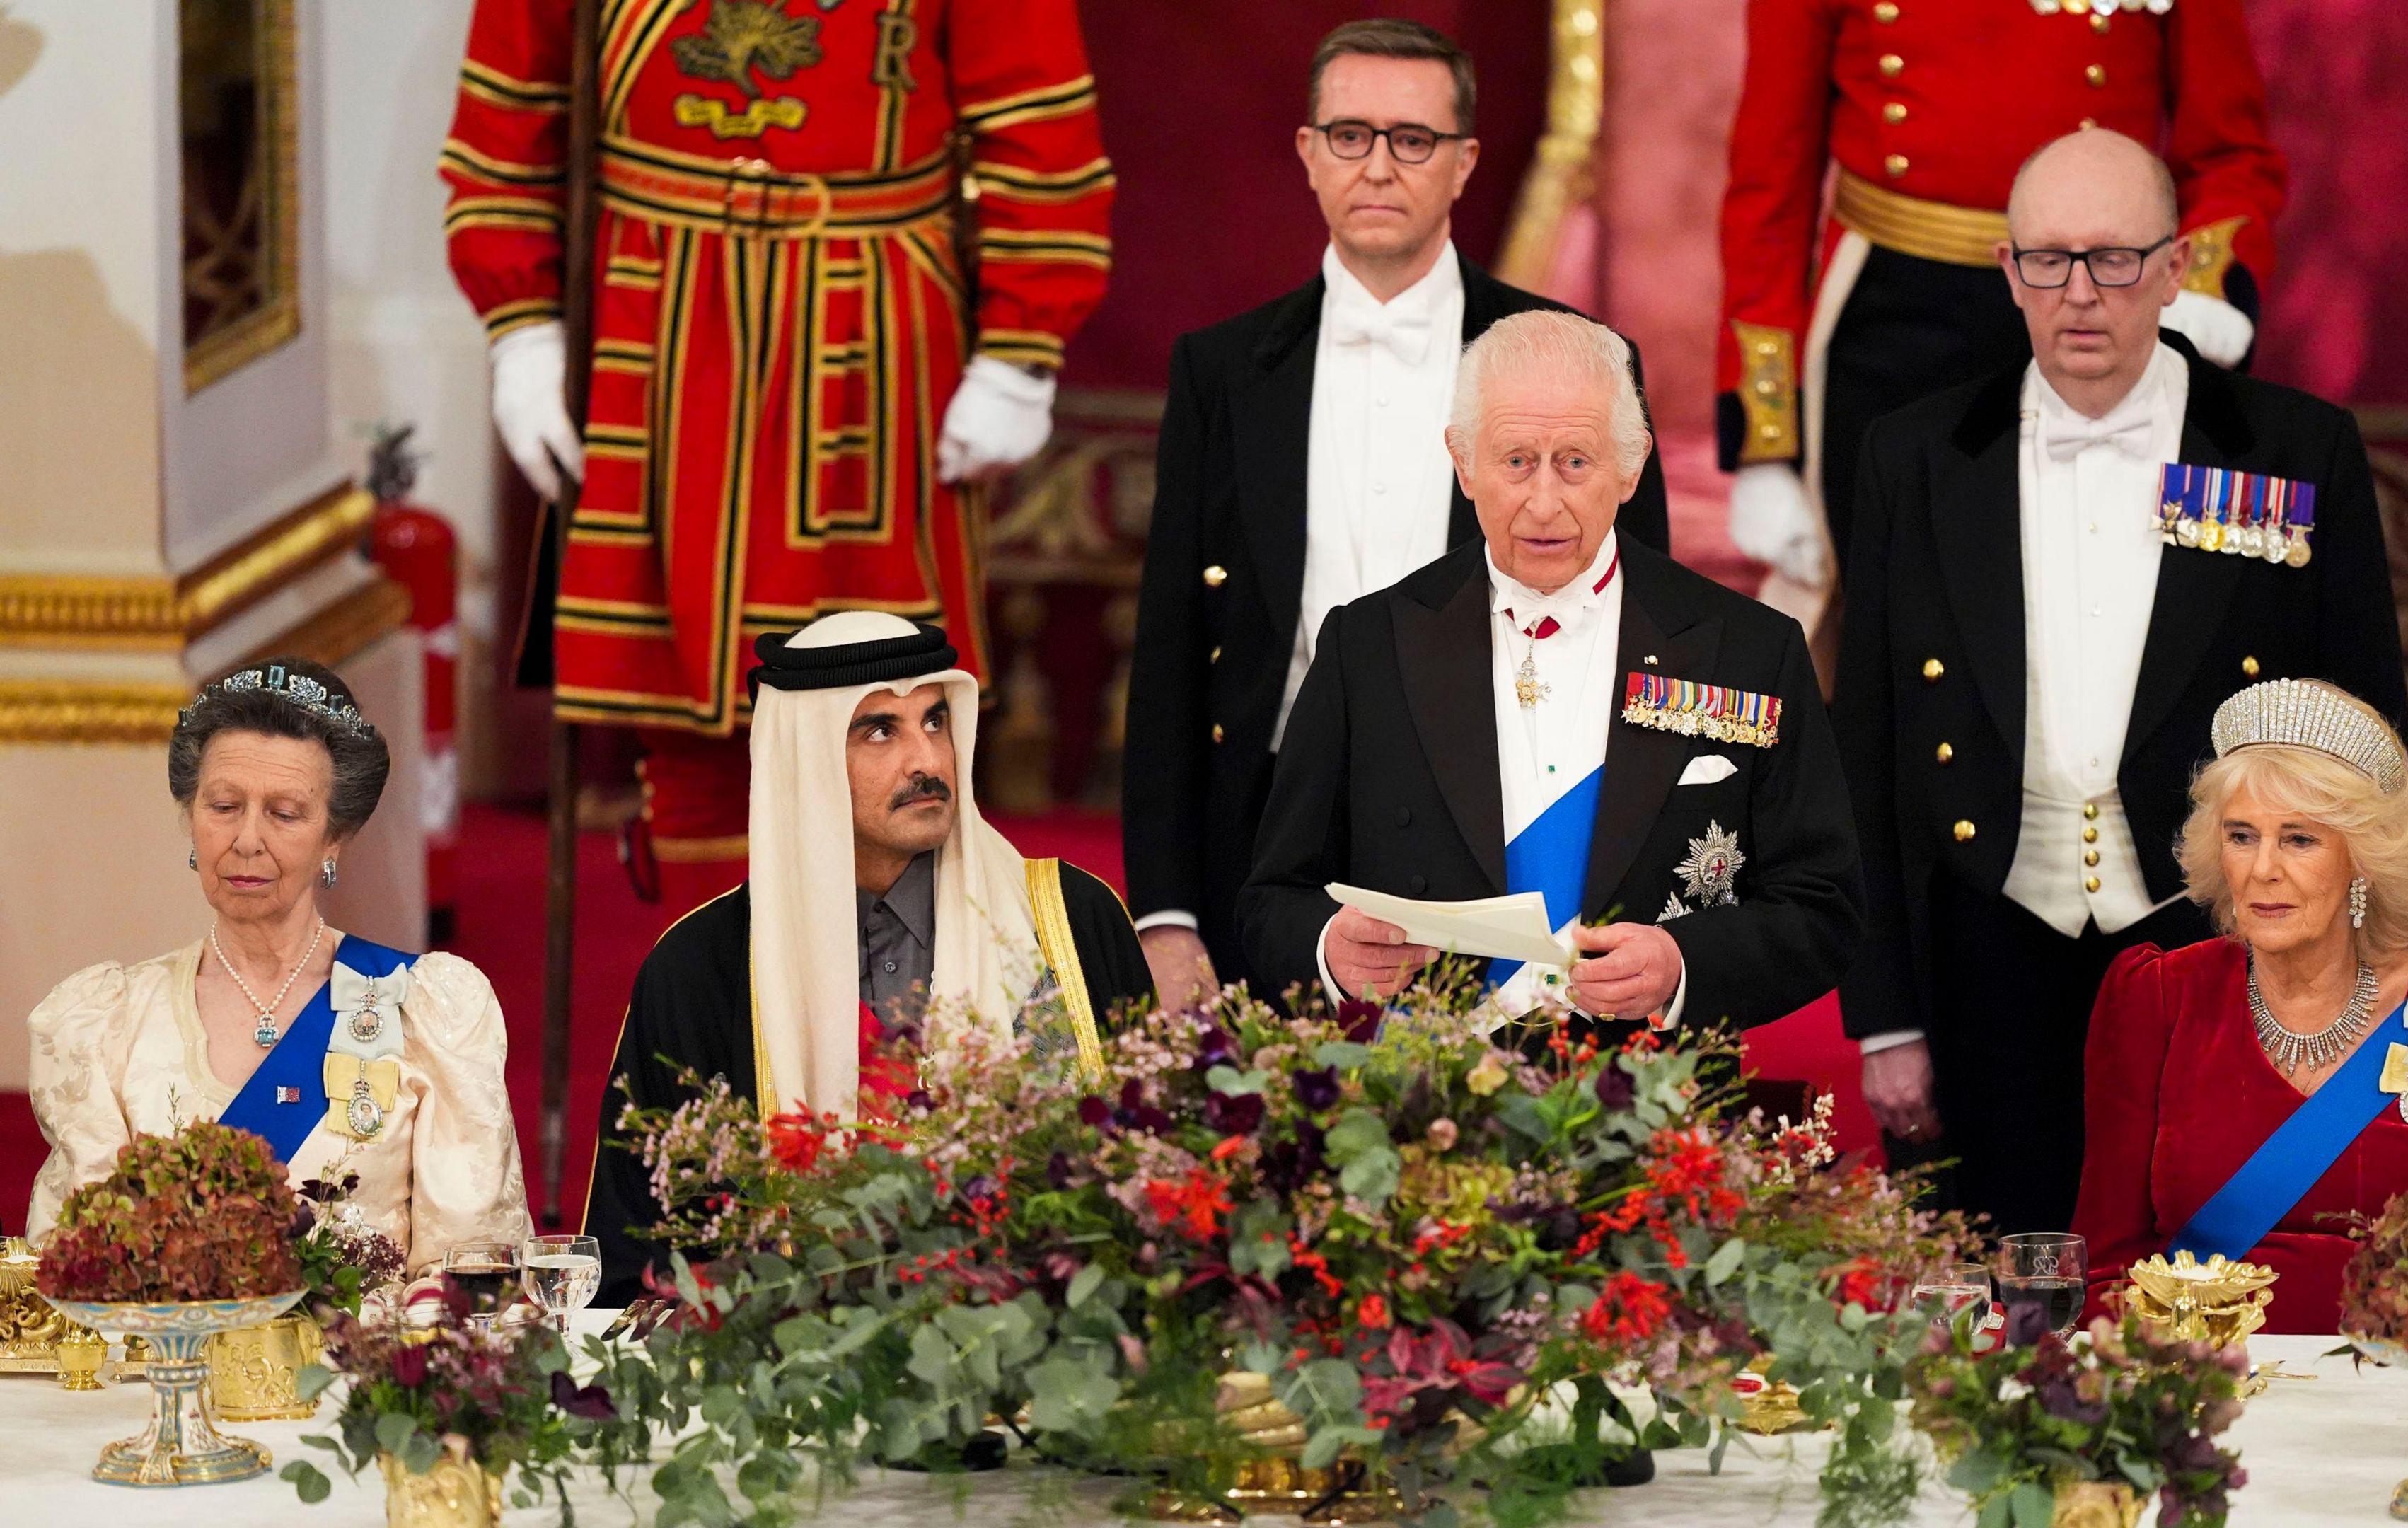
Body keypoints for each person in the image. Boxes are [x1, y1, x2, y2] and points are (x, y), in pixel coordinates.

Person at [1831, 129, 2407, 1237]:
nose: (2080, 294)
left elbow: (2367, 740)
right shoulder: (1915, 453)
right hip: (1988, 940)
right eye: (2048, 260)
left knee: (2229, 1274)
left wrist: (2359, 975)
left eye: (2115, 259)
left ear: (2180, 266)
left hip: (2227, 938)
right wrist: (1884, 1018)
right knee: (2011, 1298)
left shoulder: (2293, 452)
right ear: (2007, 271)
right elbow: (1871, 745)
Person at [442, 0, 1113, 909]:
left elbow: (1039, 126)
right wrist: (520, 328)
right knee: (683, 728)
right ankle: (711, 1040)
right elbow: (509, 122)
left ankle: (880, 1040)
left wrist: (1020, 352)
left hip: (869, 337)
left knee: (886, 708)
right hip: (658, 330)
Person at [1124, 20, 1672, 1009]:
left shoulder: (1582, 360)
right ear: (1308, 153)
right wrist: (1165, 916)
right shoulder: (1221, 370)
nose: (1378, 166)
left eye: (1412, 139)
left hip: (1513, 826)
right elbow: (1171, 651)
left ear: (1464, 163)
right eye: (1350, 135)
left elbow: (1649, 635)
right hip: (1268, 838)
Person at [1237, 310, 1859, 1053]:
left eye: (1574, 462)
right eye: (1515, 461)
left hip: (1656, 1116)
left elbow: (1823, 906)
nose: (1542, 503)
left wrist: (1683, 963)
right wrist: (1330, 948)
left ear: (1631, 468)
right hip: (1427, 1109)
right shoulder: (1367, 647)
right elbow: (1272, 900)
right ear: (1463, 463)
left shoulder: (1750, 651)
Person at [587, 611, 1150, 1302]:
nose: (929, 761)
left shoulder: (1069, 920)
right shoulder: (700, 969)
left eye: (936, 721)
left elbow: (1155, 1200)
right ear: (807, 756)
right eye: (881, 730)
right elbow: (635, 1265)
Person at [1717, 0, 2283, 677]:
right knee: (1898, 650)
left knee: (2104, 629)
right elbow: (1769, 185)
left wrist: (2204, 288)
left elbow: (2229, 154)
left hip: (2097, 305)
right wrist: (1766, 446)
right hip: (1887, 324)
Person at [2073, 680, 2408, 1333]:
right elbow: (2107, 1265)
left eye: (2299, 840)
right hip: (2199, 1390)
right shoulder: (2158, 998)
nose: (2262, 869)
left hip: (2391, 1394)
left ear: (2363, 859)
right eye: (2242, 837)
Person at [25, 659, 529, 1274]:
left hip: (357, 1363)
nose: (246, 840)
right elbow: (78, 1267)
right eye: (224, 806)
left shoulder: (423, 1010)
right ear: (191, 818)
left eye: (285, 814)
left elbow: (471, 1267)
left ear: (334, 839)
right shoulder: (111, 1024)